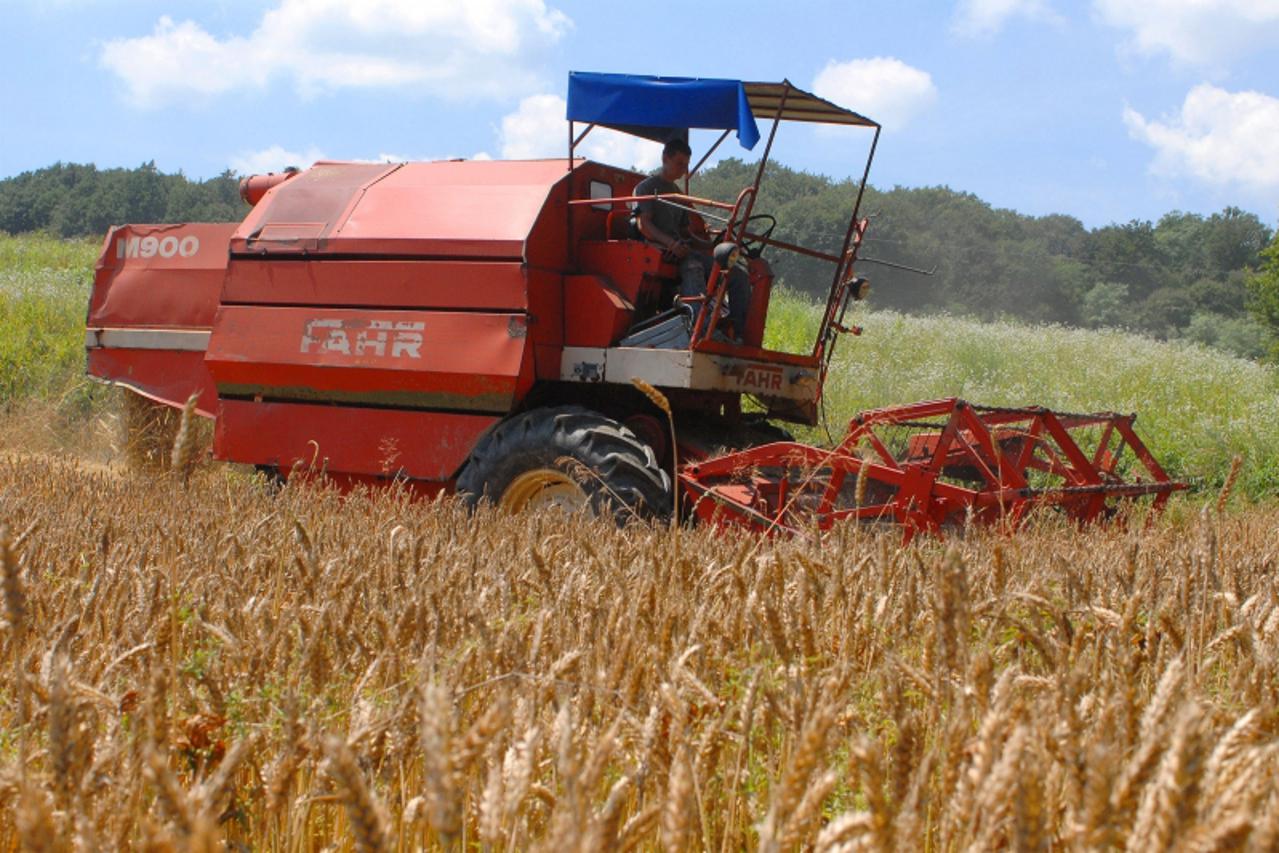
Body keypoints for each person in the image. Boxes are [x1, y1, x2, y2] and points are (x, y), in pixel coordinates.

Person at [634, 138, 751, 342]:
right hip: (656, 250)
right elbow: (644, 226)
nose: (684, 170)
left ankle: (738, 332)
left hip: (681, 250)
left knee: (737, 274)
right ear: (665, 158)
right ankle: (700, 329)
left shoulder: (678, 194)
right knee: (693, 264)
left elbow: (687, 234)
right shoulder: (645, 188)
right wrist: (670, 244)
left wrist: (713, 245)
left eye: (686, 165)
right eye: (680, 164)